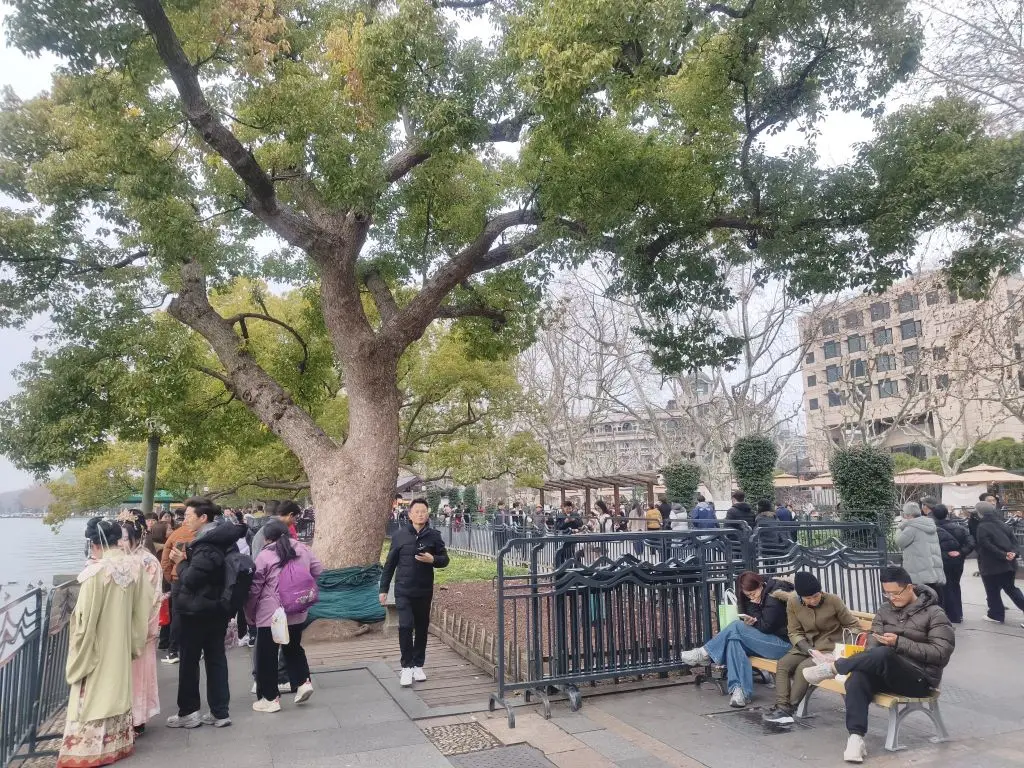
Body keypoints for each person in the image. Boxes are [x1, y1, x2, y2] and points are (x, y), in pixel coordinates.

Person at [801, 566, 954, 764]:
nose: (891, 598)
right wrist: (877, 647)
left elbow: (941, 653)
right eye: (887, 593)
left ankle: (834, 668)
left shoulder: (935, 613)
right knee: (858, 677)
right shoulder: (885, 609)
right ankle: (856, 738)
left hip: (919, 679)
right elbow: (873, 642)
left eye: (895, 593)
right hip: (885, 670)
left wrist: (898, 642)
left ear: (909, 588)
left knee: (884, 653)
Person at [57, 518, 152, 768]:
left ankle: (86, 748)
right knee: (115, 688)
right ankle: (117, 742)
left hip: (98, 642)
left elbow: (84, 619)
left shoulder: (96, 573)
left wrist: (79, 647)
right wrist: (134, 641)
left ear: (94, 544)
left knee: (91, 693)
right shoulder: (134, 568)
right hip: (120, 641)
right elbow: (143, 607)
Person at [166, 503, 248, 728]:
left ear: (203, 518)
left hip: (196, 610)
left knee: (189, 661)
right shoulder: (226, 541)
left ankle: (189, 712)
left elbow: (192, 580)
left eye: (188, 515)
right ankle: (220, 712)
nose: (184, 520)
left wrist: (181, 562)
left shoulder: (206, 546)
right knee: (216, 659)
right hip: (217, 608)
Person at [680, 572, 794, 708]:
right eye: (748, 595)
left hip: (785, 645)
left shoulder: (774, 595)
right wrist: (751, 607)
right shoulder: (755, 595)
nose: (752, 597)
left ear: (761, 585)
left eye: (753, 593)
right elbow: (746, 615)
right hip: (766, 642)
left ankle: (705, 653)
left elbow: (766, 627)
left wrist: (754, 609)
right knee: (734, 641)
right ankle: (740, 692)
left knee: (736, 627)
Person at [762, 572, 861, 725]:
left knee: (803, 668)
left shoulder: (833, 600)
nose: (813, 600)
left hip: (829, 649)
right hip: (805, 646)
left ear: (820, 591)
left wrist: (841, 651)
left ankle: (789, 709)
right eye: (808, 598)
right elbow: (794, 631)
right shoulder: (793, 602)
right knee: (783, 664)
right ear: (800, 596)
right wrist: (809, 649)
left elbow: (853, 625)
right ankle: (782, 706)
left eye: (816, 596)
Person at [246, 520, 323, 712]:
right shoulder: (303, 549)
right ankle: (303, 682)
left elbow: (255, 588)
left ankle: (270, 699)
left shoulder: (265, 555)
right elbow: (318, 569)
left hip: (271, 614)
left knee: (267, 656)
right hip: (297, 609)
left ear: (266, 538)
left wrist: (250, 612)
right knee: (293, 647)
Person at [379, 498, 450, 686]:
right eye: (417, 511)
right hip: (403, 589)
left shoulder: (434, 536)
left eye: (423, 511)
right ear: (410, 515)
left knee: (421, 627)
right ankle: (406, 666)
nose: (420, 514)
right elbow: (390, 564)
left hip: (424, 590)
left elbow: (445, 559)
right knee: (405, 626)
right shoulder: (399, 536)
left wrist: (433, 559)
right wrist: (383, 589)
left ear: (428, 514)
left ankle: (418, 665)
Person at [119, 510, 162, 736]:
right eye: (119, 537)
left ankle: (137, 719)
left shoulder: (147, 561)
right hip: (122, 626)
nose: (121, 542)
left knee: (139, 675)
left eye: (125, 537)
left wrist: (138, 625)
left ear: (137, 535)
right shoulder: (121, 559)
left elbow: (153, 598)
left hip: (140, 627)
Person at [159, 498, 207, 664]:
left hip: (178, 578)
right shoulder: (206, 534)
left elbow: (165, 559)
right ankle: (198, 648)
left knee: (178, 615)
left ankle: (174, 650)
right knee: (198, 614)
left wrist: (170, 576)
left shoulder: (176, 534)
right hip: (198, 578)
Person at [974, 501, 1024, 627]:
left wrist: (1003, 554)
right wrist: (1013, 553)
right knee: (1011, 589)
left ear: (980, 513)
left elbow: (986, 545)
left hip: (991, 564)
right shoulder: (1003, 524)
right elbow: (1014, 542)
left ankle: (996, 614)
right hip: (1009, 563)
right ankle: (995, 614)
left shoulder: (982, 526)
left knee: (992, 590)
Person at [895, 502, 945, 605]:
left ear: (908, 515)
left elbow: (899, 542)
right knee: (934, 600)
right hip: (933, 571)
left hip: (919, 572)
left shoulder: (911, 528)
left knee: (921, 603)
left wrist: (900, 527)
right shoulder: (929, 524)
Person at [931, 504, 974, 623]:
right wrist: (961, 552)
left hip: (940, 561)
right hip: (957, 562)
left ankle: (945, 614)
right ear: (947, 514)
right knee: (955, 586)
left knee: (942, 588)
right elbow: (971, 543)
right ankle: (957, 614)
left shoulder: (932, 530)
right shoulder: (960, 528)